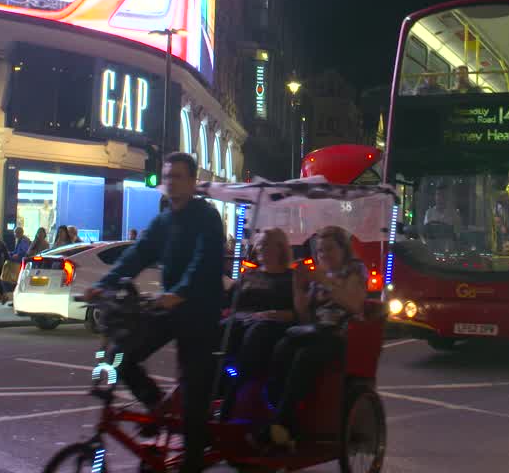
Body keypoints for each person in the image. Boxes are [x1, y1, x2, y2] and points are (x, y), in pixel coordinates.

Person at [85, 152, 224, 473]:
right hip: (170, 306)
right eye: (168, 177)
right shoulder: (163, 220)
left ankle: (191, 460)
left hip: (200, 310)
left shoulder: (207, 217)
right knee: (118, 355)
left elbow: (203, 262)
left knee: (194, 391)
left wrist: (180, 293)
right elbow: (136, 255)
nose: (171, 183)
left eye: (178, 177)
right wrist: (104, 285)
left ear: (192, 182)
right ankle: (157, 406)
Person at [257, 225, 366, 450]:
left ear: (343, 250)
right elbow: (305, 315)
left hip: (342, 335)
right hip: (316, 332)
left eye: (329, 249)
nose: (323, 255)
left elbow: (354, 305)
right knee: (283, 348)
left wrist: (326, 282)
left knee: (305, 356)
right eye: (319, 251)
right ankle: (284, 419)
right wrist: (299, 289)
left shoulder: (354, 270)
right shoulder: (319, 274)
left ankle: (281, 425)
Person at [218, 228, 296, 419]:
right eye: (258, 244)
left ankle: (230, 403)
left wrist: (271, 314)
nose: (259, 248)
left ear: (279, 248)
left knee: (256, 333)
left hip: (270, 326)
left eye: (265, 244)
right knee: (215, 331)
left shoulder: (291, 279)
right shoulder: (248, 276)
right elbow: (227, 302)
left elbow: (298, 313)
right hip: (240, 322)